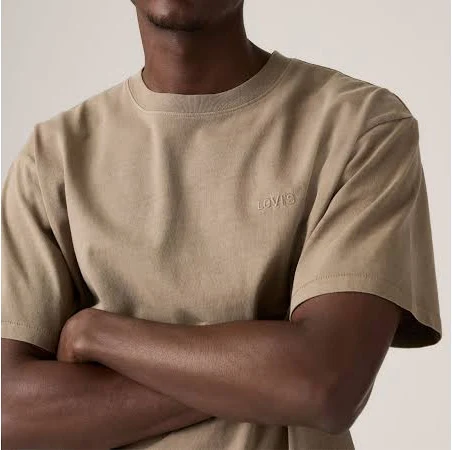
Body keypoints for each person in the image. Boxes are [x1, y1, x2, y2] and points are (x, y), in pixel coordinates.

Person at [1, 1, 443, 449]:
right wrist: (266, 378)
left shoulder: (361, 128)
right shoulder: (51, 160)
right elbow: (9, 412)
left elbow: (326, 385)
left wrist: (99, 335)